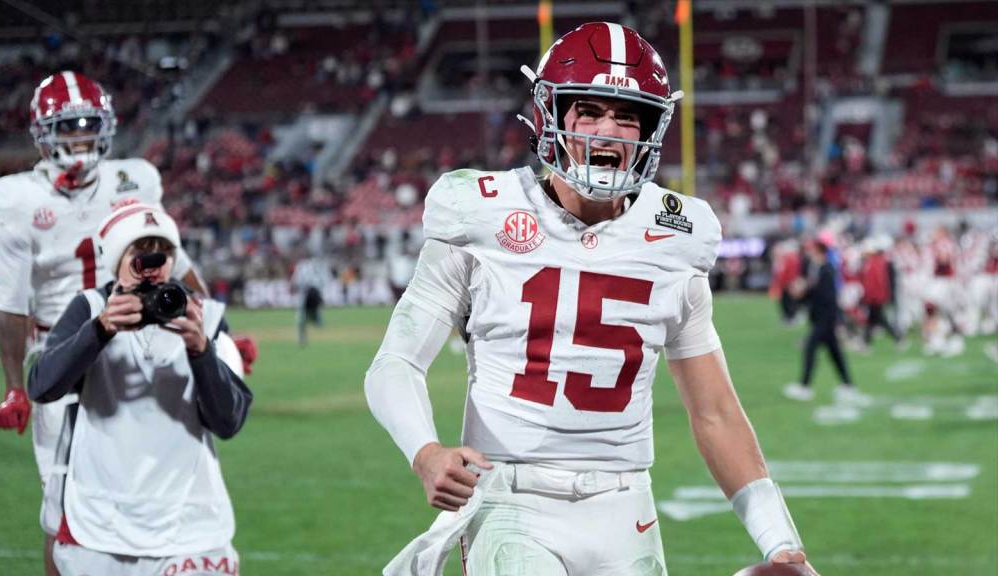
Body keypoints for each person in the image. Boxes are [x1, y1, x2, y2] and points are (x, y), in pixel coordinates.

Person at [366, 22, 816, 576]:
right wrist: (425, 452)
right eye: (590, 111)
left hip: (627, 506)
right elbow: (396, 362)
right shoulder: (479, 212)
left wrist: (780, 542)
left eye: (628, 115)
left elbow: (715, 411)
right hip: (511, 497)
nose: (610, 131)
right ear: (550, 117)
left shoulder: (679, 237)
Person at [0, 71, 207, 575]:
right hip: (64, 356)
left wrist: (216, 328)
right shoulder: (20, 198)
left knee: (144, 497)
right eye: (67, 128)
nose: (80, 138)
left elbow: (177, 256)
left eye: (87, 126)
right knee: (63, 513)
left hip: (137, 350)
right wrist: (15, 386)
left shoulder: (134, 179)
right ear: (43, 134)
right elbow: (11, 301)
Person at [27, 204, 251, 576]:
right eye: (139, 250)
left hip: (189, 525)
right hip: (101, 522)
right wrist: (99, 330)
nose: (152, 262)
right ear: (116, 260)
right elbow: (43, 386)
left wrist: (201, 351)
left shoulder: (203, 314)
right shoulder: (91, 308)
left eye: (161, 250)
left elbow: (228, 422)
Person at [783, 236, 868, 405]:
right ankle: (848, 385)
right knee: (835, 353)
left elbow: (826, 296)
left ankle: (805, 387)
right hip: (821, 318)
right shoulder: (818, 268)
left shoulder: (827, 269)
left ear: (819, 251)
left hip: (825, 319)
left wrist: (805, 291)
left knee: (810, 348)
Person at [291, 252, 331, 345]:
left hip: (305, 293)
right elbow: (325, 280)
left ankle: (302, 338)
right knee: (314, 316)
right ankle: (319, 330)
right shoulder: (319, 265)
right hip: (315, 292)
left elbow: (296, 281)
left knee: (301, 317)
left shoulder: (301, 266)